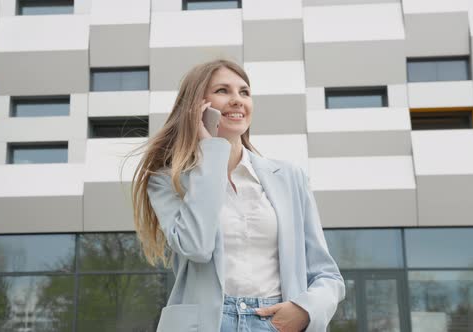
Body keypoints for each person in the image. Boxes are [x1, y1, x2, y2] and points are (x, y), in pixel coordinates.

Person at [129, 59, 345, 332]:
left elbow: (327, 275)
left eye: (244, 92)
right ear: (197, 106)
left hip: (277, 321)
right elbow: (197, 246)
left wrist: (304, 310)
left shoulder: (290, 177)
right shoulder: (166, 181)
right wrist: (212, 154)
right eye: (222, 91)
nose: (237, 100)